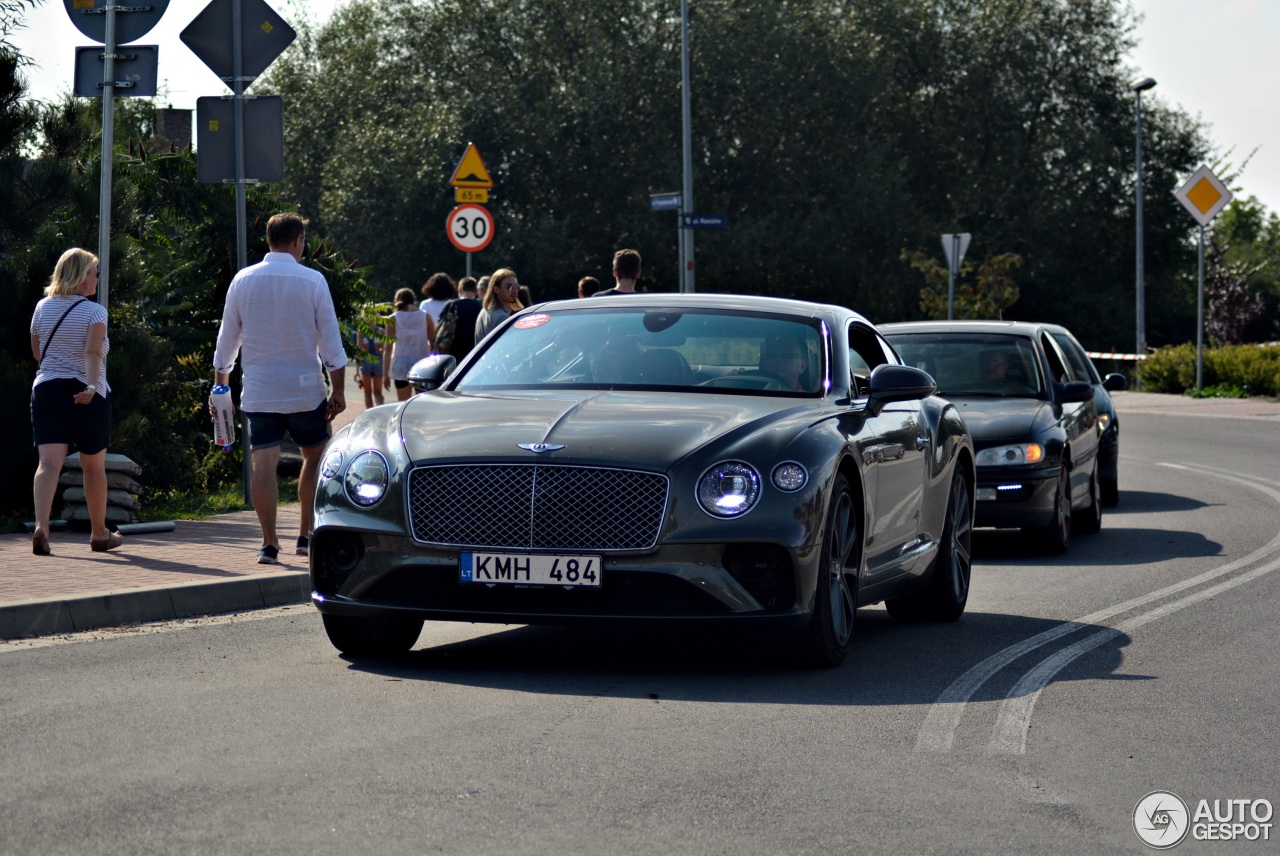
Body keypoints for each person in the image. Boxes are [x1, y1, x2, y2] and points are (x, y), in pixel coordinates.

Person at [212, 212, 347, 565]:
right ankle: (305, 536)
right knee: (316, 456)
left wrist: (219, 391)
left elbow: (227, 342)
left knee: (263, 463)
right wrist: (339, 391)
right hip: (305, 391)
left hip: (260, 391)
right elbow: (330, 342)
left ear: (269, 240)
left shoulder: (243, 280)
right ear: (298, 240)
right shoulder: (313, 280)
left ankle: (269, 543)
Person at [28, 247, 121, 555]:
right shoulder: (95, 311)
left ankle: (42, 525)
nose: (97, 279)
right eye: (95, 273)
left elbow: (38, 353)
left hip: (47, 390)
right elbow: (92, 352)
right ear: (83, 278)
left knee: (48, 463)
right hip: (86, 392)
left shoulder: (42, 308)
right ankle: (98, 533)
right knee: (93, 466)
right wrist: (92, 385)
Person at [385, 287, 435, 401]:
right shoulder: (425, 316)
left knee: (403, 404)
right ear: (413, 300)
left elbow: (387, 349)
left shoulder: (393, 318)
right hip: (423, 365)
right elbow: (433, 344)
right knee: (423, 404)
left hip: (401, 366)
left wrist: (386, 374)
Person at [435, 276, 482, 361]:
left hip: (453, 352)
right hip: (475, 351)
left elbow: (440, 326)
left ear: (459, 290)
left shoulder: (452, 305)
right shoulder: (481, 306)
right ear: (476, 291)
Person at [475, 268, 523, 341]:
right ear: (496, 289)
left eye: (516, 286)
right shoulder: (502, 317)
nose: (515, 291)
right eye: (509, 287)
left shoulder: (484, 311)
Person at [356, 321, 386, 408]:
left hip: (366, 360)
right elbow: (384, 350)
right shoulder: (381, 331)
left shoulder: (361, 331)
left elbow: (359, 351)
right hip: (378, 360)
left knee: (367, 392)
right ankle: (380, 410)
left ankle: (370, 414)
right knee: (378, 392)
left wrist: (357, 371)